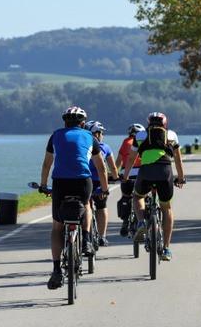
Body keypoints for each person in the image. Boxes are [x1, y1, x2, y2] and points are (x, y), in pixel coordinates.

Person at [39, 106, 110, 290]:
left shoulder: (55, 136)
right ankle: (86, 240)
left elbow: (47, 163)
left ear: (65, 122)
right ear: (83, 123)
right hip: (82, 182)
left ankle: (56, 270)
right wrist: (104, 188)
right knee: (86, 204)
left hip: (60, 183)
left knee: (57, 226)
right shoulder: (90, 137)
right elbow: (101, 167)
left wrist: (43, 185)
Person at [122, 112, 185, 261]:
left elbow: (131, 158)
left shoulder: (140, 136)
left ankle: (141, 221)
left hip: (147, 172)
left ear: (148, 123)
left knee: (137, 196)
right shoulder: (172, 135)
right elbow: (178, 159)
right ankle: (167, 249)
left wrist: (125, 176)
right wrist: (181, 178)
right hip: (165, 172)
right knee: (166, 208)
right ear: (165, 124)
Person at [84, 120, 119, 248]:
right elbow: (113, 168)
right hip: (99, 181)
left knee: (85, 205)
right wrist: (115, 177)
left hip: (84, 180)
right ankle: (102, 236)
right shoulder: (105, 147)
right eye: (101, 132)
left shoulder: (82, 145)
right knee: (101, 206)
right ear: (97, 134)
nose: (102, 135)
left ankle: (85, 234)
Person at [115, 123, 144, 237]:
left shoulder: (125, 142)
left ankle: (125, 222)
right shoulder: (143, 142)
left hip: (127, 175)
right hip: (142, 174)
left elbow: (118, 161)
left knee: (125, 196)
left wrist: (116, 174)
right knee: (143, 196)